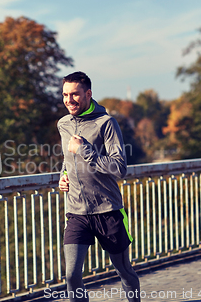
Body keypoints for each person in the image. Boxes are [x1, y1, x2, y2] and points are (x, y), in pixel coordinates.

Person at [58, 71, 140, 302]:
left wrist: (85, 150)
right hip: (76, 213)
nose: (69, 100)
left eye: (74, 94)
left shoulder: (106, 123)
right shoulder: (63, 124)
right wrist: (62, 176)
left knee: (124, 272)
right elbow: (67, 159)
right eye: (65, 95)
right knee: (72, 275)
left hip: (108, 211)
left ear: (88, 93)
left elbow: (119, 167)